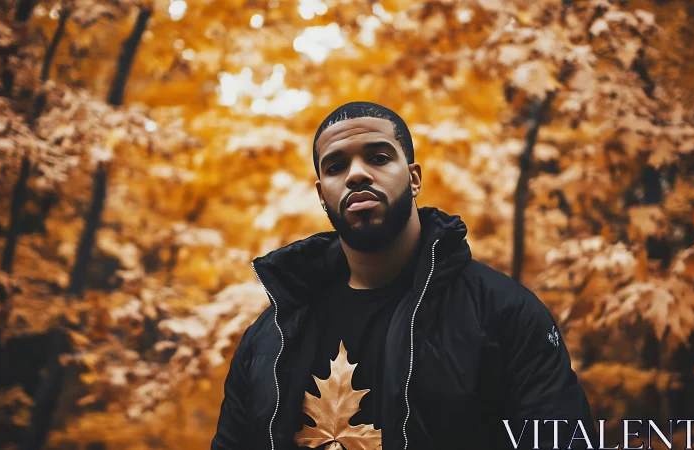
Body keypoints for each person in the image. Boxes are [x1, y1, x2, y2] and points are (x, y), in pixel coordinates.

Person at [211, 102, 595, 450]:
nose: (356, 174)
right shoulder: (269, 340)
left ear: (414, 179)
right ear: (322, 195)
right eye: (336, 166)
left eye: (378, 158)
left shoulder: (504, 313)